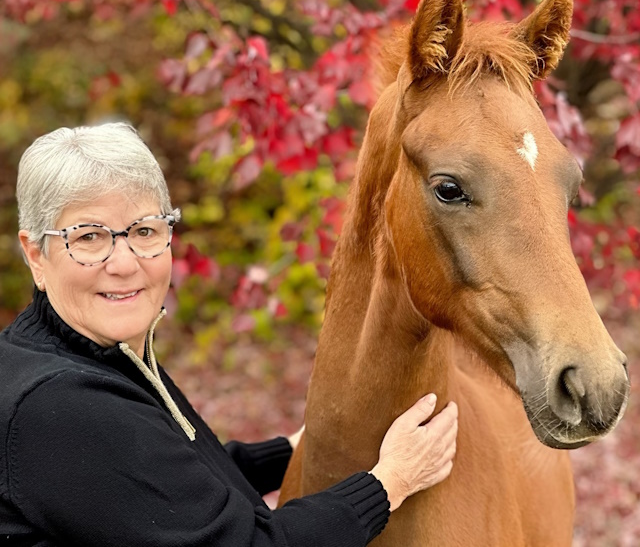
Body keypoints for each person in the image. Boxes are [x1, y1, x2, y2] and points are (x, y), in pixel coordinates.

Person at [0, 122, 458, 546]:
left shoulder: (78, 355)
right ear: (36, 255)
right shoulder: (61, 406)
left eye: (143, 230)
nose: (124, 263)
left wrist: (292, 449)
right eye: (88, 238)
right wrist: (389, 483)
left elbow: (168, 485)